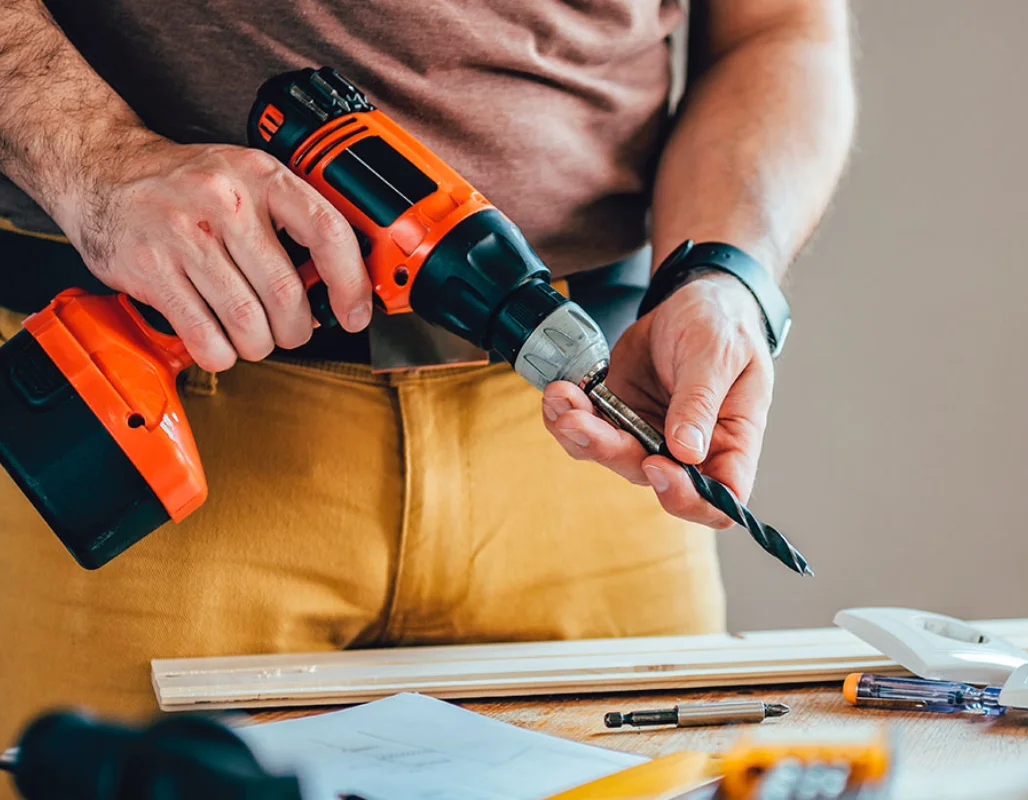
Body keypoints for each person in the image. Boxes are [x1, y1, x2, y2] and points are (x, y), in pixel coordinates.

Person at [0, 0, 856, 762]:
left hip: (593, 455)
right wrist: (101, 161)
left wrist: (724, 277)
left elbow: (779, 30)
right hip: (133, 409)